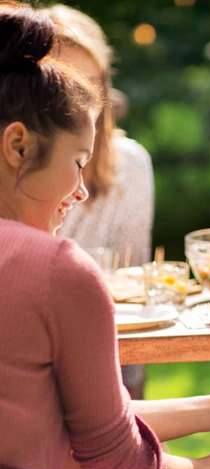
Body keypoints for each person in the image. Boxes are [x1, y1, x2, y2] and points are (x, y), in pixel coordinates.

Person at [0, 4, 210, 469]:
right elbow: (111, 466)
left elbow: (60, 432)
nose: (82, 190)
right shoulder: (56, 270)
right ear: (18, 145)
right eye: (77, 161)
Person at [45, 3, 155, 406]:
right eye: (62, 87)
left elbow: (131, 285)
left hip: (107, 356)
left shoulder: (130, 165)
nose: (78, 108)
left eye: (90, 89)